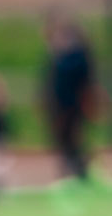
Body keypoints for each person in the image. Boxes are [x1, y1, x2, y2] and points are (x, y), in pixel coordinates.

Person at [42, 12, 99, 181]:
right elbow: (50, 82)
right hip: (59, 104)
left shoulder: (78, 56)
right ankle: (72, 168)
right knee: (62, 139)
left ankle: (80, 169)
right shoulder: (58, 57)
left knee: (73, 137)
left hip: (73, 104)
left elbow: (84, 80)